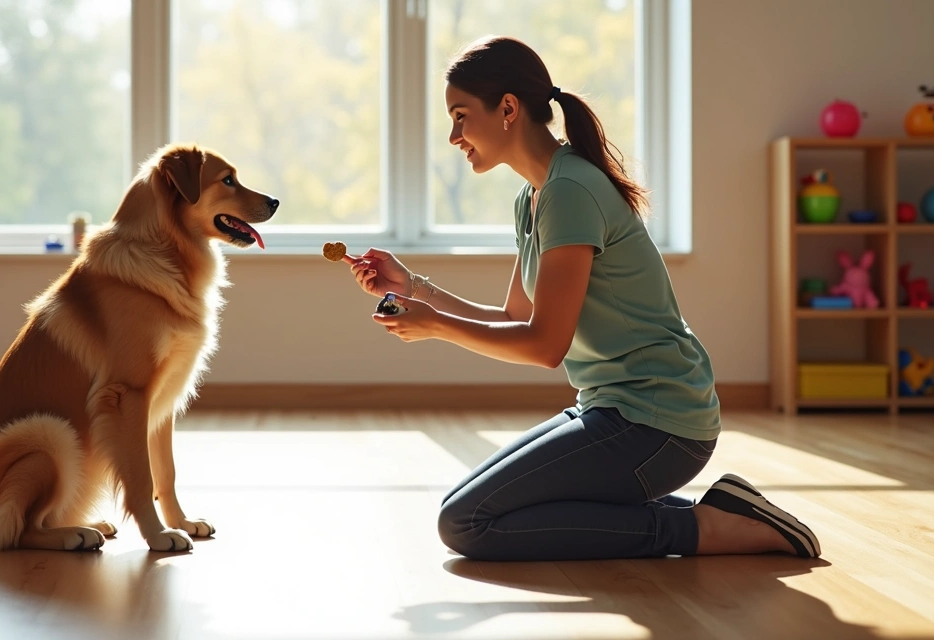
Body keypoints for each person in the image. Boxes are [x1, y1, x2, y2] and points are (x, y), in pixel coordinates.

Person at [340, 36, 820, 562]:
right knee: (463, 509)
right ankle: (724, 510)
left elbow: (545, 345)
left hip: (657, 423)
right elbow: (512, 318)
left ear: (507, 109)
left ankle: (704, 529)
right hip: (610, 409)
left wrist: (435, 326)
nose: (454, 136)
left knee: (467, 524)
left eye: (460, 116)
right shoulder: (537, 195)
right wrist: (413, 287)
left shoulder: (570, 191)